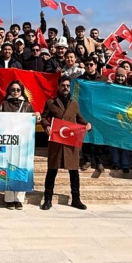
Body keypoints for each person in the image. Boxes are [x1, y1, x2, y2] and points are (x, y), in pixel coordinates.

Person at [40, 76, 90, 210]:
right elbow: (43, 117)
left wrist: (86, 124)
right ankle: (48, 199)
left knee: (74, 172)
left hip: (70, 143)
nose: (65, 88)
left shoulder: (74, 104)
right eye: (63, 85)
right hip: (56, 142)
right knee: (52, 171)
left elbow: (79, 118)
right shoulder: (51, 102)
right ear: (59, 87)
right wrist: (46, 126)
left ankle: (76, 199)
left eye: (68, 86)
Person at [0, 80, 39, 210]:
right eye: (13, 89)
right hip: (9, 142)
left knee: (22, 168)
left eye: (18, 90)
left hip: (23, 142)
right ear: (9, 91)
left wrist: (37, 116)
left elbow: (34, 122)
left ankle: (19, 199)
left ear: (22, 91)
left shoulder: (28, 106)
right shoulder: (4, 104)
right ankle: (9, 199)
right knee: (9, 169)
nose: (15, 92)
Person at [77, 57, 106, 173]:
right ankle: (87, 160)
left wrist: (109, 86)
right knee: (86, 137)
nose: (89, 67)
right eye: (87, 64)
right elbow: (76, 93)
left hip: (98, 113)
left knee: (98, 138)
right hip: (85, 111)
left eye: (91, 64)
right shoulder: (80, 80)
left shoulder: (103, 79)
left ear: (95, 65)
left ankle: (99, 162)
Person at [110, 67, 132, 173]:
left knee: (125, 142)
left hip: (126, 119)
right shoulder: (111, 87)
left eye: (122, 76)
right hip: (114, 118)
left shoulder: (130, 89)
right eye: (118, 76)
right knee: (114, 142)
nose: (120, 78)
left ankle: (125, 164)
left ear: (125, 77)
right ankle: (115, 163)